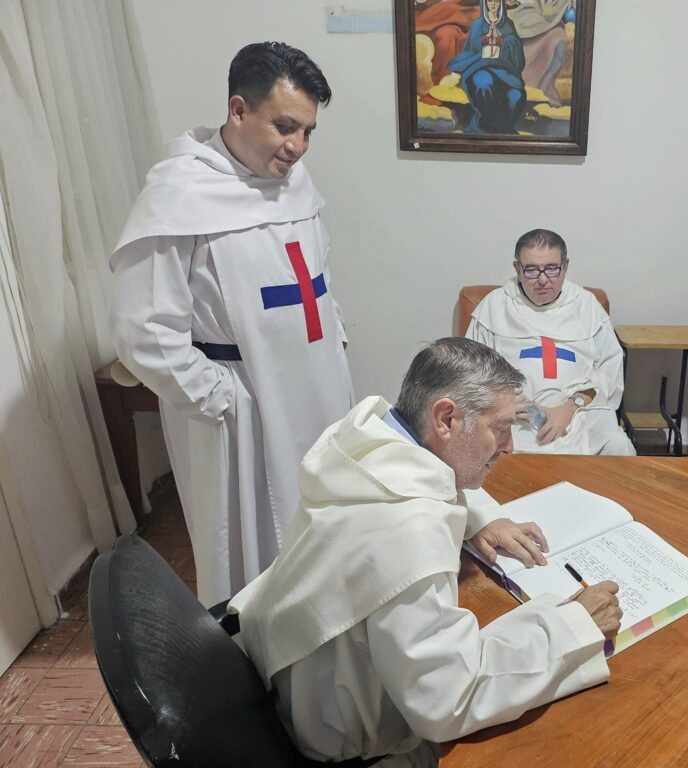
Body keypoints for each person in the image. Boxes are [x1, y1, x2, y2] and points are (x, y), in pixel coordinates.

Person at [229, 337, 620, 766]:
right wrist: (574, 626)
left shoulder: (365, 441)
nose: (509, 446)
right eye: (500, 427)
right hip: (343, 746)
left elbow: (424, 477)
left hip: (278, 674)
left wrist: (478, 517)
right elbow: (449, 699)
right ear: (447, 418)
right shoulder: (410, 531)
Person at [109, 42, 355, 606]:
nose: (297, 147)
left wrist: (334, 337)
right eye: (285, 126)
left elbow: (315, 275)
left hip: (318, 391)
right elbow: (142, 328)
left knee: (324, 526)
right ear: (239, 109)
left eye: (308, 131)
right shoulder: (179, 194)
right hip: (240, 406)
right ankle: (254, 668)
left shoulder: (294, 180)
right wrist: (219, 396)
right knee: (253, 550)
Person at [466, 228, 636, 456]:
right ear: (517, 268)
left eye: (552, 268)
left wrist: (570, 408)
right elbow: (470, 373)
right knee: (480, 447)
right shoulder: (494, 307)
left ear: (565, 266)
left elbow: (609, 371)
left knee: (620, 447)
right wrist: (504, 402)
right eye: (532, 270)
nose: (543, 279)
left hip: (579, 418)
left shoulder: (587, 305)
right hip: (513, 419)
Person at [447, 0, 527, 133]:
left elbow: (517, 55)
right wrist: (483, 42)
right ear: (485, 3)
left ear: (501, 3)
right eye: (490, 1)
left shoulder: (507, 25)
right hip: (479, 67)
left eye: (497, 1)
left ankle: (497, 128)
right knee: (483, 81)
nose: (493, 4)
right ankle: (493, 128)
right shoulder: (478, 24)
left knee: (516, 95)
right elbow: (471, 50)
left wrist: (503, 42)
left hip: (505, 72)